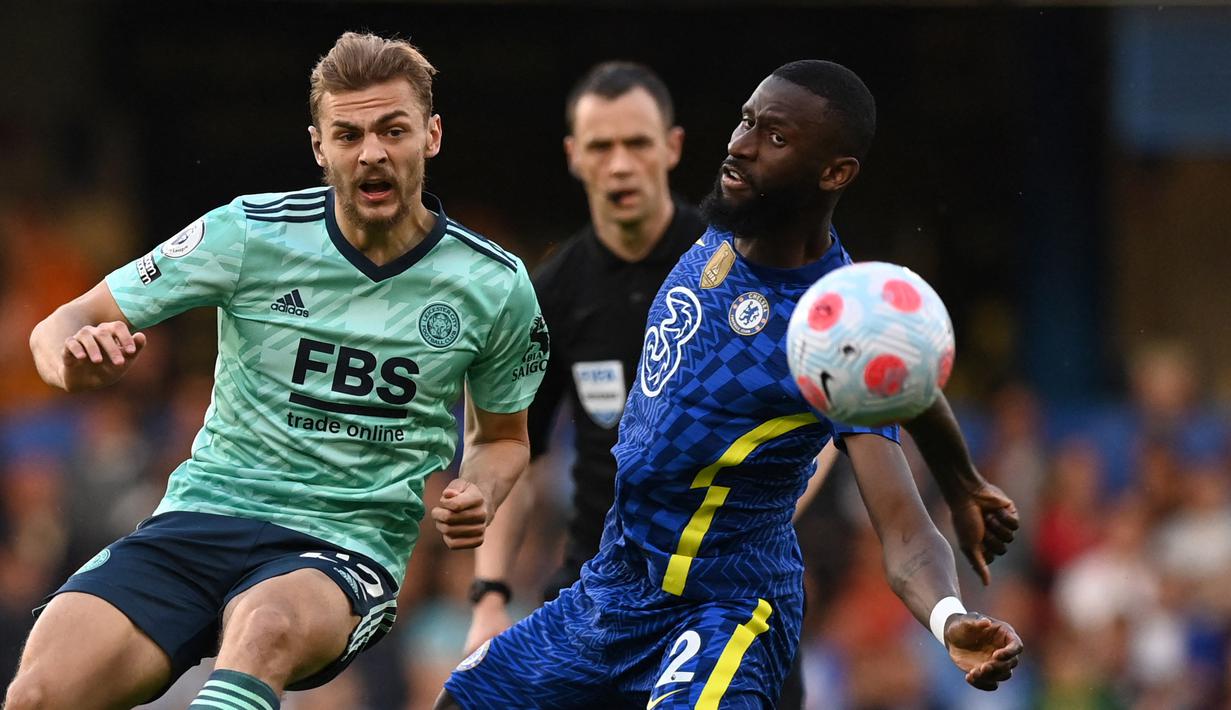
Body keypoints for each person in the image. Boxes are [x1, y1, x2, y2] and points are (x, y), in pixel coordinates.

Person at [438, 60, 1022, 709]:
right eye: (746, 120)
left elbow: (904, 527)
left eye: (774, 137)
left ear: (834, 173)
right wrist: (964, 480)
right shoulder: (721, 224)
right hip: (614, 587)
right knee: (462, 699)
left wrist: (946, 616)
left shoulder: (835, 323)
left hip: (724, 611)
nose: (739, 144)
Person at [5, 31, 546, 710]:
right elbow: (64, 323)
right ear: (320, 147)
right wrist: (74, 363)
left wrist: (481, 492)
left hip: (342, 547)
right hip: (202, 518)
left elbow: (502, 439)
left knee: (265, 627)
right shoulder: (250, 234)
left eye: (393, 130)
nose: (371, 152)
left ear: (431, 135)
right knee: (37, 694)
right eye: (347, 135)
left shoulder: (493, 285)